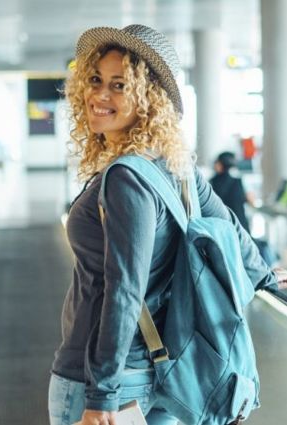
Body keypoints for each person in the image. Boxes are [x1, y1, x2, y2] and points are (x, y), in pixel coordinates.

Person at [48, 24, 287, 425]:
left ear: (148, 97)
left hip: (110, 380)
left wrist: (101, 396)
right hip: (165, 372)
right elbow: (226, 221)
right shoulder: (174, 167)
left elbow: (124, 290)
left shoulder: (127, 178)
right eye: (96, 80)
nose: (99, 95)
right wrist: (266, 277)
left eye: (120, 85)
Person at [209, 151, 252, 232]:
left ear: (220, 164)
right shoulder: (237, 182)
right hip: (241, 228)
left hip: (221, 229)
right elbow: (247, 200)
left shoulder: (213, 182)